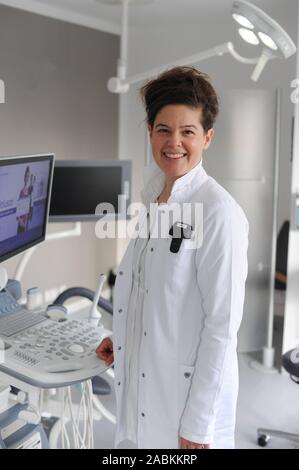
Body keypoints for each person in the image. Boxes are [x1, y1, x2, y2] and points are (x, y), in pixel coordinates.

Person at [96, 66, 249, 449]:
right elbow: (151, 291)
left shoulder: (218, 212)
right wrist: (123, 337)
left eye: (188, 132)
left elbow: (221, 326)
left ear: (207, 138)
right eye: (163, 129)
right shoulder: (154, 199)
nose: (174, 142)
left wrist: (198, 425)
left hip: (185, 410)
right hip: (144, 393)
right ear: (149, 132)